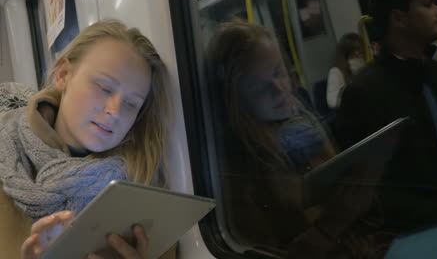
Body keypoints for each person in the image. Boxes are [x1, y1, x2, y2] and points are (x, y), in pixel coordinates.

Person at [206, 20, 384, 258]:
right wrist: (334, 223)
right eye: (260, 88)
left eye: (279, 72)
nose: (280, 90)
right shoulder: (241, 168)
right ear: (237, 100)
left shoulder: (303, 121)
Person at [0, 20, 175, 258]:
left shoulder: (144, 185)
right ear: (63, 75)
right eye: (103, 88)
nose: (115, 111)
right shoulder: (6, 157)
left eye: (131, 104)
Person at [336, 0, 437, 235]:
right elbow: (373, 193)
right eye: (428, 5)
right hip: (426, 228)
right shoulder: (364, 93)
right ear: (399, 18)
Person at [326, 33, 365, 109]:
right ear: (346, 52)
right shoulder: (335, 72)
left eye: (361, 48)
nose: (360, 52)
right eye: (356, 49)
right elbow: (332, 102)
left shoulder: (362, 65)